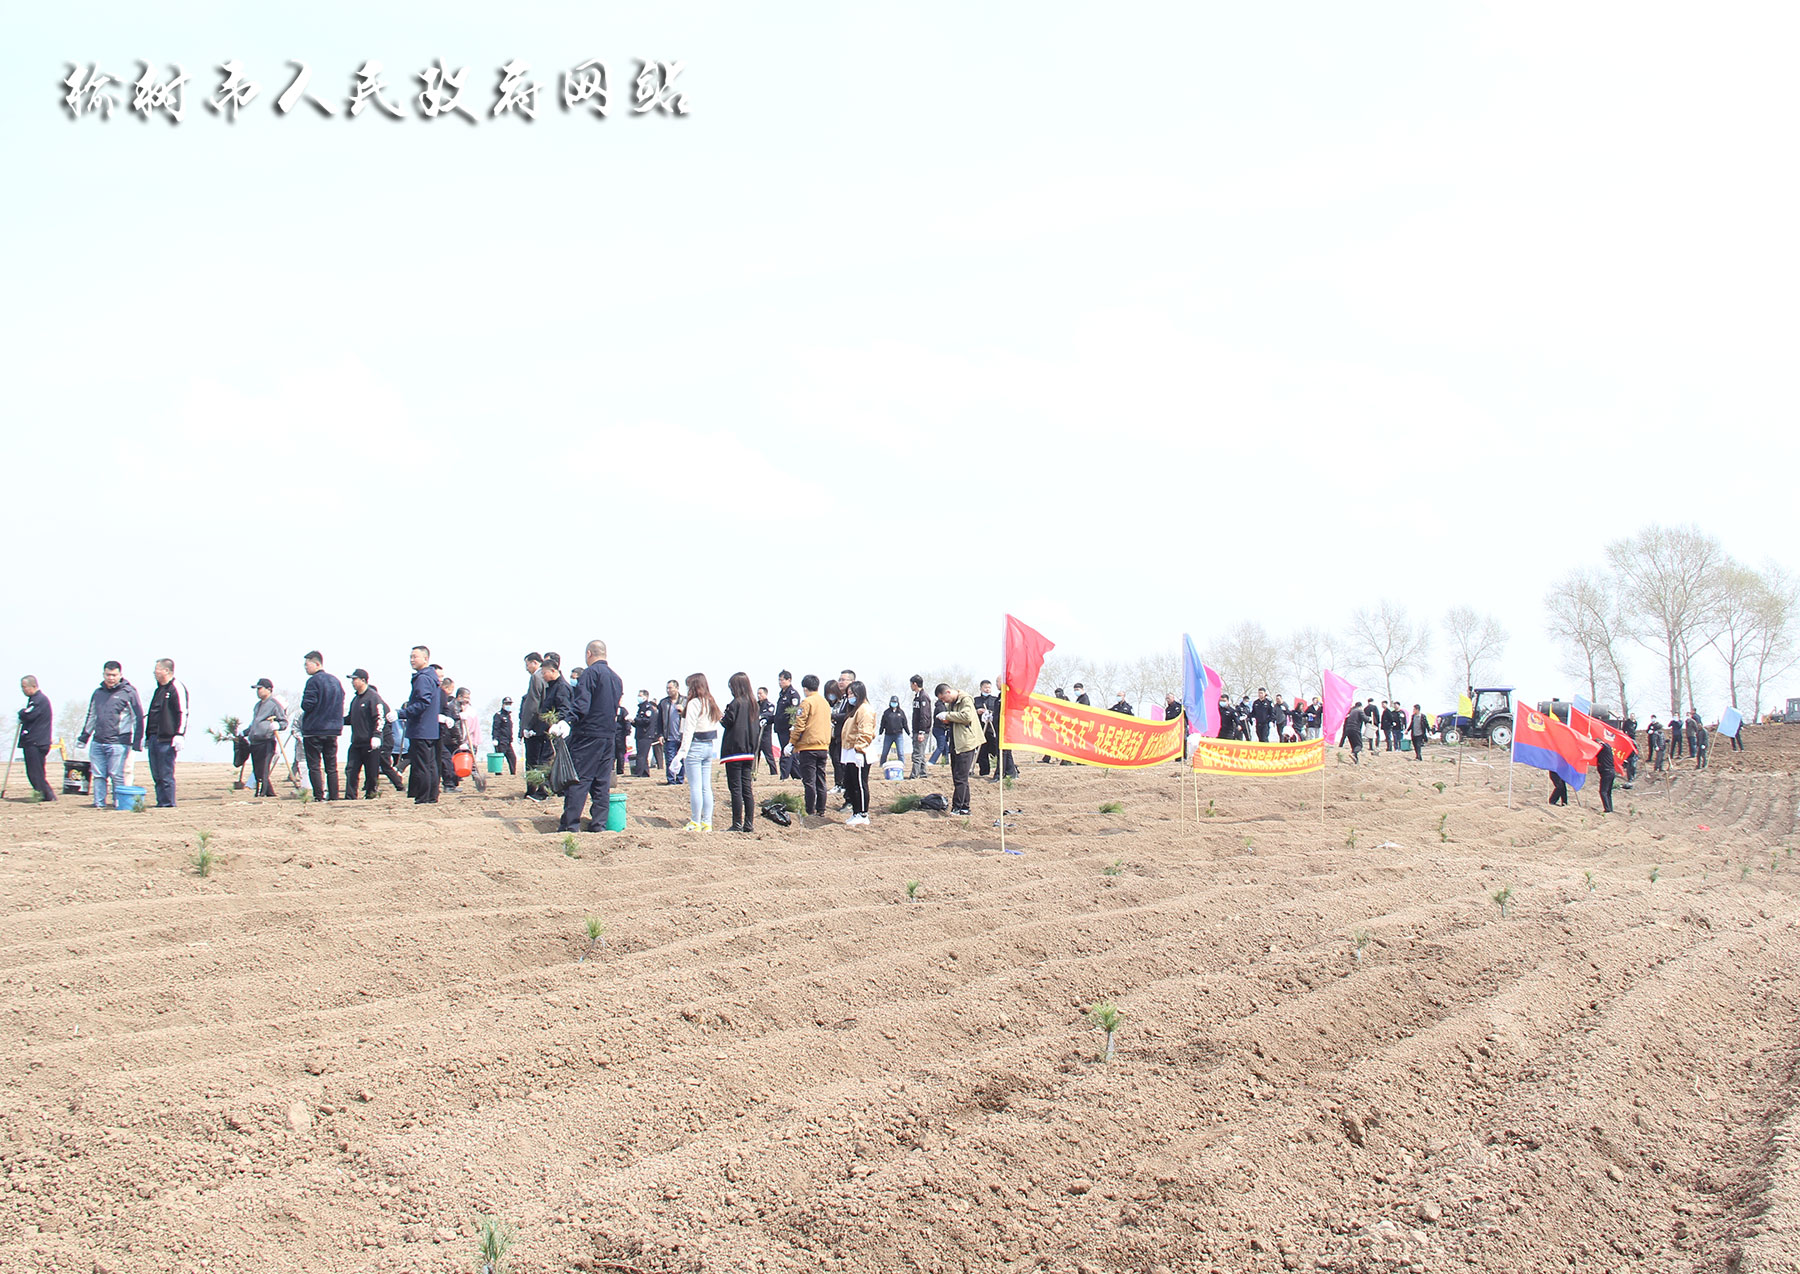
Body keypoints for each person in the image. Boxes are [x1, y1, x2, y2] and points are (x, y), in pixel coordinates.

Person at [553, 640, 624, 833]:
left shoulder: (590, 674)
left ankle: (570, 824)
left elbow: (582, 704)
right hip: (608, 735)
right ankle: (599, 824)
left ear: (589, 654)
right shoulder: (616, 678)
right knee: (602, 783)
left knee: (579, 780)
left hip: (588, 735)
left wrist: (567, 721)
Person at [77, 661, 144, 810]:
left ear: (120, 675)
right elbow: (91, 716)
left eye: (114, 675)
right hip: (98, 741)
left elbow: (137, 718)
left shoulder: (129, 693)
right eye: (108, 675)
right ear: (103, 674)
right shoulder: (98, 693)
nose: (111, 678)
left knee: (116, 774)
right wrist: (84, 736)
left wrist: (137, 741)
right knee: (98, 774)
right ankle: (99, 803)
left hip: (119, 742)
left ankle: (118, 803)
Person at [670, 672, 723, 832]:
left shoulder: (693, 703)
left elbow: (689, 730)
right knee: (706, 786)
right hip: (708, 745)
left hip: (695, 746)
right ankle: (707, 822)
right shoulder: (710, 701)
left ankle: (695, 821)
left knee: (695, 787)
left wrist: (682, 752)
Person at [396, 646, 443, 804]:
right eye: (411, 657)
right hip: (429, 728)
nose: (412, 660)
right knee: (430, 764)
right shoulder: (431, 677)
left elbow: (422, 703)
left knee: (422, 765)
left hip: (421, 728)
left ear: (425, 658)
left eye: (415, 657)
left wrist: (402, 713)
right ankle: (431, 796)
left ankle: (423, 797)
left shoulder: (423, 678)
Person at [344, 669, 401, 798]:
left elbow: (380, 718)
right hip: (356, 742)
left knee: (371, 772)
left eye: (354, 679)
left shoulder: (373, 697)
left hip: (370, 743)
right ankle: (350, 796)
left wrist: (376, 735)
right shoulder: (355, 700)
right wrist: (337, 721)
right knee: (351, 769)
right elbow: (351, 718)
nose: (352, 682)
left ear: (363, 680)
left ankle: (371, 794)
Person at [142, 658, 189, 808]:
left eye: (157, 669)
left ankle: (168, 803)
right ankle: (160, 802)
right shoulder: (159, 690)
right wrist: (148, 736)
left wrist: (179, 734)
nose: (154, 673)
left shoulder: (176, 687)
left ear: (166, 671)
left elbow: (182, 712)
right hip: (154, 737)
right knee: (156, 774)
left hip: (167, 739)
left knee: (165, 773)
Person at [298, 651, 345, 802]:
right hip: (333, 729)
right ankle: (334, 796)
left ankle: (319, 796)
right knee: (331, 766)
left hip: (315, 729)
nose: (305, 668)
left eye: (307, 664)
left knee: (314, 765)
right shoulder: (335, 681)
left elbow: (308, 704)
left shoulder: (313, 681)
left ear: (317, 664)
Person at [720, 672, 761, 833]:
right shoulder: (754, 704)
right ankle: (749, 824)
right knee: (747, 788)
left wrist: (721, 716)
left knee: (735, 788)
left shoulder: (735, 703)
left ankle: (737, 823)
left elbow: (727, 722)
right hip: (749, 751)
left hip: (734, 751)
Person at [531, 653, 573, 803]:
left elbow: (564, 709)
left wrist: (557, 723)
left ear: (553, 671)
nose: (543, 676)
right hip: (548, 730)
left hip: (557, 732)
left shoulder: (562, 688)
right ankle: (556, 789)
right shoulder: (552, 687)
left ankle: (545, 792)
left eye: (544, 673)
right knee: (549, 760)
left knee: (548, 760)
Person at [937, 683, 982, 816]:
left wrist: (948, 715)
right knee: (960, 777)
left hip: (966, 743)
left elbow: (967, 717)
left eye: (943, 698)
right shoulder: (952, 703)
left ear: (948, 692)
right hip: (956, 742)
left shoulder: (965, 700)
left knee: (960, 778)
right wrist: (947, 721)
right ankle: (965, 807)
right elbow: (956, 719)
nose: (943, 702)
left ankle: (957, 807)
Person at [789, 674, 831, 815]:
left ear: (805, 688)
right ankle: (821, 809)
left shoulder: (806, 703)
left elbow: (799, 725)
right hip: (823, 746)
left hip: (809, 747)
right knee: (821, 779)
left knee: (809, 781)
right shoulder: (825, 703)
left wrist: (792, 742)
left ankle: (810, 810)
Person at [841, 679, 878, 826]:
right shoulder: (855, 710)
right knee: (851, 783)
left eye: (852, 693)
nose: (850, 697)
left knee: (860, 784)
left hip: (860, 751)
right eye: (848, 694)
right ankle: (856, 812)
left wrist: (860, 750)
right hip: (850, 750)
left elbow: (865, 732)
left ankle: (863, 813)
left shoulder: (865, 710)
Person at [244, 677, 287, 798]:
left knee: (263, 769)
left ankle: (262, 792)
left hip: (267, 741)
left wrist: (277, 725)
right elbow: (255, 723)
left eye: (260, 689)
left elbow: (284, 722)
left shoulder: (274, 704)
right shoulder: (257, 706)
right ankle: (269, 792)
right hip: (255, 741)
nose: (258, 691)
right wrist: (245, 732)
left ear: (269, 689)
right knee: (257, 769)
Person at [15, 676, 56, 802]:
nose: (23, 690)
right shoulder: (34, 700)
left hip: (36, 742)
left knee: (35, 772)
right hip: (35, 741)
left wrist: (21, 713)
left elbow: (29, 714)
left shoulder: (39, 700)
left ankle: (44, 795)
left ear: (33, 686)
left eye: (24, 687)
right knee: (36, 771)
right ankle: (45, 795)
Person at [520, 653, 548, 794]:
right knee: (543, 759)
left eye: (527, 664)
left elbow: (533, 704)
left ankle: (532, 790)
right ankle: (543, 788)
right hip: (546, 724)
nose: (527, 668)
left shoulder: (537, 677)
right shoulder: (546, 676)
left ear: (534, 663)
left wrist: (526, 726)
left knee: (533, 760)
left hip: (536, 725)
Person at [658, 679, 685, 785]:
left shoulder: (685, 701)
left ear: (677, 688)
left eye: (670, 688)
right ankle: (671, 780)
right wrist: (660, 734)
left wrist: (683, 711)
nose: (668, 690)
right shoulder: (663, 703)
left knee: (681, 759)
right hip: (669, 736)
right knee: (669, 759)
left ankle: (680, 779)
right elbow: (659, 721)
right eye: (667, 688)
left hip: (682, 736)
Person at [775, 671, 800, 780]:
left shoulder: (793, 694)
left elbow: (794, 712)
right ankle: (797, 775)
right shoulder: (782, 694)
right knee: (791, 754)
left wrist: (792, 726)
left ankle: (784, 776)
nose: (780, 682)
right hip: (780, 728)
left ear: (789, 680)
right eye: (779, 680)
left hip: (788, 728)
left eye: (782, 680)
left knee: (786, 752)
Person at [910, 675, 933, 779]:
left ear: (915, 684)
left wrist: (921, 731)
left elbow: (924, 715)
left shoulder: (923, 697)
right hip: (916, 729)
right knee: (921, 753)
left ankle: (914, 775)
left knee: (917, 754)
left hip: (921, 730)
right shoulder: (917, 696)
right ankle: (923, 773)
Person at [631, 690, 658, 778]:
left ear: (645, 697)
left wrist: (636, 720)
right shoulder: (641, 708)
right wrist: (633, 722)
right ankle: (644, 772)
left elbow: (647, 721)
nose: (638, 697)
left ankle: (638, 773)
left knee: (641, 755)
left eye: (640, 695)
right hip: (640, 734)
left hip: (646, 735)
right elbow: (639, 723)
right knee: (643, 754)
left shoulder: (648, 708)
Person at [489, 697, 517, 775]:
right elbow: (496, 728)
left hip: (508, 741)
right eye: (507, 704)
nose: (508, 705)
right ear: (503, 704)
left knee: (513, 758)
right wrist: (495, 738)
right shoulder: (498, 715)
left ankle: (513, 773)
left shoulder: (508, 716)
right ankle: (498, 773)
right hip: (501, 741)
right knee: (499, 758)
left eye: (510, 704)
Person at [879, 695, 909, 768]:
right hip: (888, 735)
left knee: (900, 752)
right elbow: (882, 723)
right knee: (885, 752)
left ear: (898, 703)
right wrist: (880, 733)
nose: (894, 703)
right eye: (892, 702)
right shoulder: (886, 712)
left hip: (898, 735)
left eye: (895, 702)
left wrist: (908, 733)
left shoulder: (901, 712)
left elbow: (905, 724)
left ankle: (902, 765)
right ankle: (882, 764)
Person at [757, 686, 780, 776]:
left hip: (765, 734)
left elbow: (769, 714)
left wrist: (761, 717)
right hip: (756, 733)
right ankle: (753, 771)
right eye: (758, 694)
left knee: (768, 754)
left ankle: (774, 773)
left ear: (765, 694)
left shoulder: (769, 705)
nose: (759, 695)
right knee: (755, 754)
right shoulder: (755, 705)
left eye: (760, 693)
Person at [1595, 739, 1616, 812]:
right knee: (1608, 792)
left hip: (1606, 773)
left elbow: (1601, 747)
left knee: (1603, 791)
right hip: (1611, 772)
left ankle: (1607, 809)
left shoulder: (1605, 748)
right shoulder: (1607, 749)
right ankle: (1610, 808)